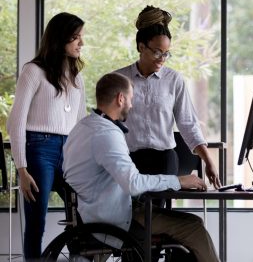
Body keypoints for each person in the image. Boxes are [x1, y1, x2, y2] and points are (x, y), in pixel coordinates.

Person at [62, 72, 220, 262]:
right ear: (120, 98)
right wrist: (179, 181)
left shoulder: (82, 128)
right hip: (113, 219)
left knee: (188, 222)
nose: (131, 104)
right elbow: (133, 183)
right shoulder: (107, 135)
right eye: (131, 98)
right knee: (194, 226)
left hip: (94, 211)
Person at [114, 5, 221, 192]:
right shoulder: (119, 79)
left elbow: (188, 124)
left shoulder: (174, 80)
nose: (162, 58)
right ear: (141, 47)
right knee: (131, 215)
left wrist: (208, 161)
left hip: (164, 159)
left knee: (159, 216)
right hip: (127, 159)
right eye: (156, 52)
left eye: (166, 53)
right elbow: (108, 124)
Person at [6, 12, 87, 260]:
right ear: (59, 39)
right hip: (40, 148)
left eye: (81, 37)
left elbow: (81, 122)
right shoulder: (33, 71)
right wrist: (22, 168)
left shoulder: (77, 77)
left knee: (83, 211)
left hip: (70, 150)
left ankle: (80, 256)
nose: (81, 43)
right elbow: (16, 121)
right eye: (75, 37)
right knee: (37, 219)